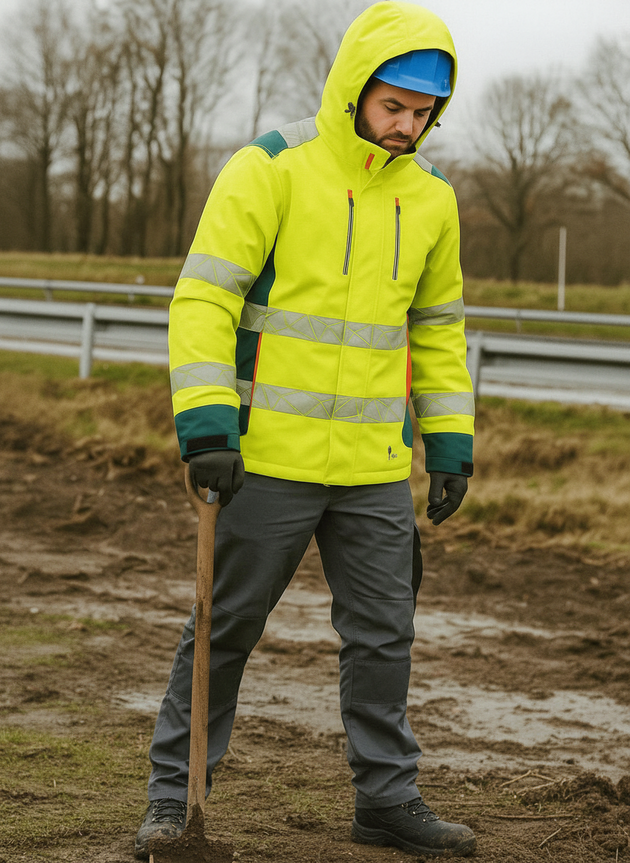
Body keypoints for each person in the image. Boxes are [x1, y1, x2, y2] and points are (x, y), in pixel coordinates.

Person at [135, 1, 476, 858]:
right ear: (355, 88)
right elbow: (204, 298)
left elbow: (437, 331)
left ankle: (386, 799)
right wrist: (207, 425)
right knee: (223, 627)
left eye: (423, 112)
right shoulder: (272, 168)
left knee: (385, 635)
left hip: (373, 468)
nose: (407, 127)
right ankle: (174, 802)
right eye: (393, 106)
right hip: (263, 460)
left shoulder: (434, 200)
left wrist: (449, 443)